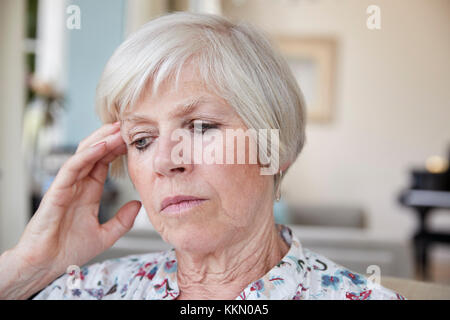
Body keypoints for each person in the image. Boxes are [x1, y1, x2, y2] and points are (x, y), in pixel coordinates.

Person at [0, 12, 404, 300]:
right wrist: (28, 268)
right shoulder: (91, 288)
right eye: (141, 140)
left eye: (201, 127)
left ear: (273, 148)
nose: (165, 161)